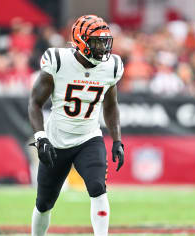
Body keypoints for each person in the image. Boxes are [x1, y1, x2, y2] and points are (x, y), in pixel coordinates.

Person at [28, 15, 125, 236]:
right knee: (44, 204)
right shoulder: (58, 61)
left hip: (88, 138)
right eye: (96, 42)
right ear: (81, 41)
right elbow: (34, 102)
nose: (102, 47)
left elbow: (111, 105)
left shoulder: (111, 66)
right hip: (56, 141)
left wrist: (117, 139)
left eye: (104, 41)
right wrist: (41, 137)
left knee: (98, 188)